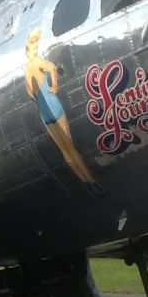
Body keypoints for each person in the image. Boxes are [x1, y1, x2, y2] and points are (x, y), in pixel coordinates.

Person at [24, 27, 102, 193]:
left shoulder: (26, 70)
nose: (36, 50)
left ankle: (85, 183)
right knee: (71, 148)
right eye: (35, 47)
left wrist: (38, 98)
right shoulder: (38, 62)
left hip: (44, 113)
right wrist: (54, 86)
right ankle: (91, 181)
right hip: (53, 106)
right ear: (31, 48)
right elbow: (52, 68)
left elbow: (30, 93)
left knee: (64, 151)